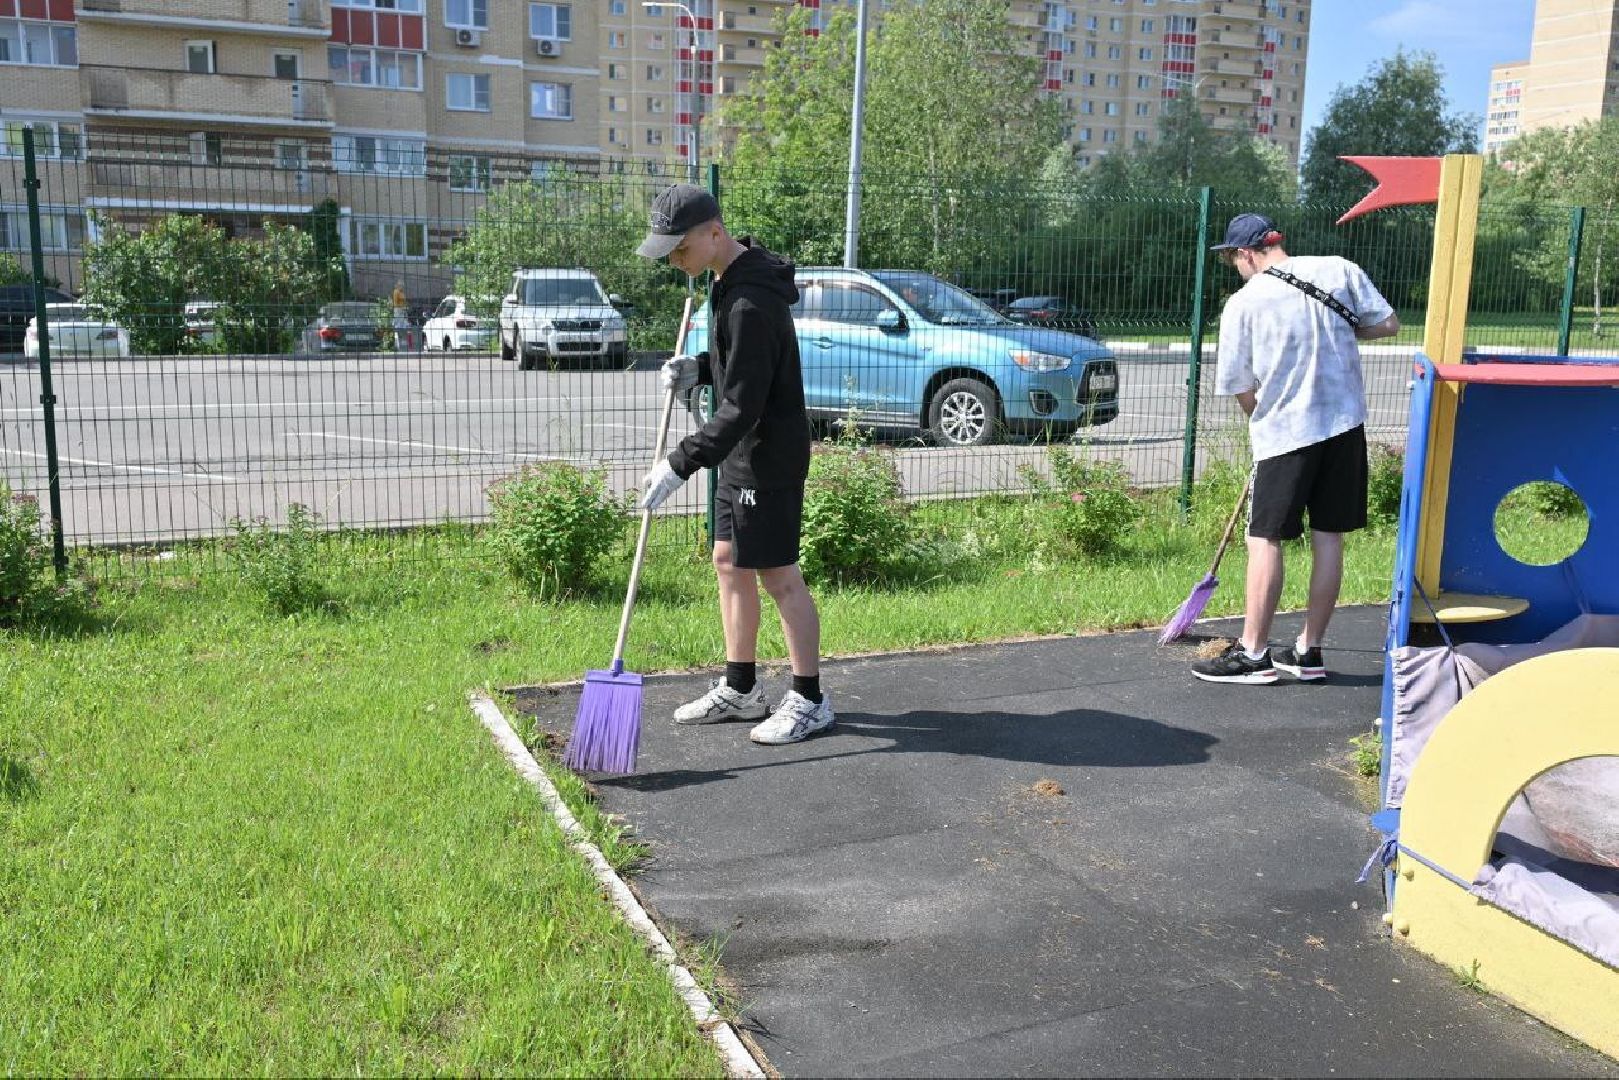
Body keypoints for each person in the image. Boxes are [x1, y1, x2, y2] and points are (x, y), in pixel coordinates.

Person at [633, 183, 832, 745]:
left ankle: (810, 699)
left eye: (679, 249)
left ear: (714, 233)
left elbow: (745, 405)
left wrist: (679, 463)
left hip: (768, 454)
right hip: (743, 452)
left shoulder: (751, 299)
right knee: (728, 559)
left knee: (778, 574)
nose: (675, 261)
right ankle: (742, 688)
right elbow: (738, 365)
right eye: (668, 252)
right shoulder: (726, 283)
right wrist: (699, 366)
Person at [1191, 213, 1401, 685]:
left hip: (1286, 433)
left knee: (1264, 538)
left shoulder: (1244, 304)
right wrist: (1342, 333)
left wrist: (1261, 422)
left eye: (1232, 261)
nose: (1235, 270)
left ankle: (1254, 654)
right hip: (1346, 425)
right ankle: (1307, 651)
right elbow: (1388, 323)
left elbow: (1242, 389)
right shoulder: (1339, 270)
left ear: (1247, 253)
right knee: (1329, 537)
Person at [391, 281, 413, 351]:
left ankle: (409, 346)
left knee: (407, 327)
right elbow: (396, 303)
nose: (402, 287)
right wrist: (403, 307)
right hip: (398, 311)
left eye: (402, 286)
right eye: (401, 285)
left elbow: (404, 301)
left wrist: (405, 307)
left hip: (403, 311)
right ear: (398, 285)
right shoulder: (396, 292)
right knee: (398, 327)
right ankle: (398, 346)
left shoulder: (401, 292)